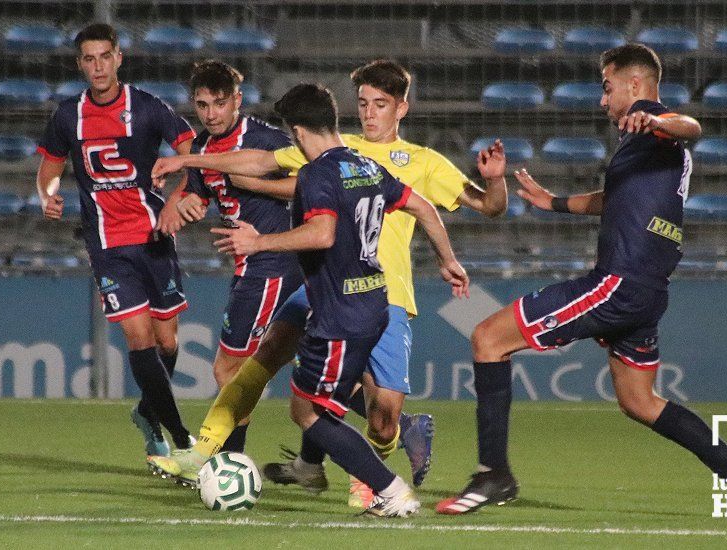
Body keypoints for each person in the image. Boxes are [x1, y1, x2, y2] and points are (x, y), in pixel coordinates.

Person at [436, 43, 727, 515]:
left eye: (607, 86)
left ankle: (494, 473)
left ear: (634, 85)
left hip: (617, 284)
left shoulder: (656, 127)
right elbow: (611, 198)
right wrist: (552, 202)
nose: (602, 99)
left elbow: (691, 126)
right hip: (645, 292)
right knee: (639, 401)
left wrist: (657, 121)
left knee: (488, 338)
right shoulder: (640, 146)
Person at [147, 60, 507, 505]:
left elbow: (484, 207)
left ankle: (374, 473)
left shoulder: (418, 162)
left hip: (382, 296)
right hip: (322, 288)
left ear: (402, 109)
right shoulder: (339, 149)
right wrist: (189, 160)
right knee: (262, 365)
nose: (370, 113)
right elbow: (264, 161)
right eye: (363, 103)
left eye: (380, 104)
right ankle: (204, 452)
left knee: (378, 414)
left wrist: (491, 189)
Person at [36, 23, 194, 459]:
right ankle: (179, 440)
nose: (98, 66)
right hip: (107, 246)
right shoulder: (68, 115)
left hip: (155, 237)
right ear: (79, 64)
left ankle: (148, 411)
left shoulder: (146, 108)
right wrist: (48, 197)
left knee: (167, 343)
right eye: (89, 59)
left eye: (105, 56)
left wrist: (175, 201)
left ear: (119, 57)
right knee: (140, 339)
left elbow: (192, 154)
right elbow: (48, 169)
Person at [171, 59, 303, 453]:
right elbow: (200, 191)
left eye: (219, 103)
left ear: (238, 101)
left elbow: (308, 183)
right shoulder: (201, 148)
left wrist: (258, 186)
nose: (211, 114)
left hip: (272, 264)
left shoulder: (265, 140)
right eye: (202, 104)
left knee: (228, 369)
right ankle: (401, 426)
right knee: (309, 374)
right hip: (253, 264)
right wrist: (190, 204)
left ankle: (225, 462)